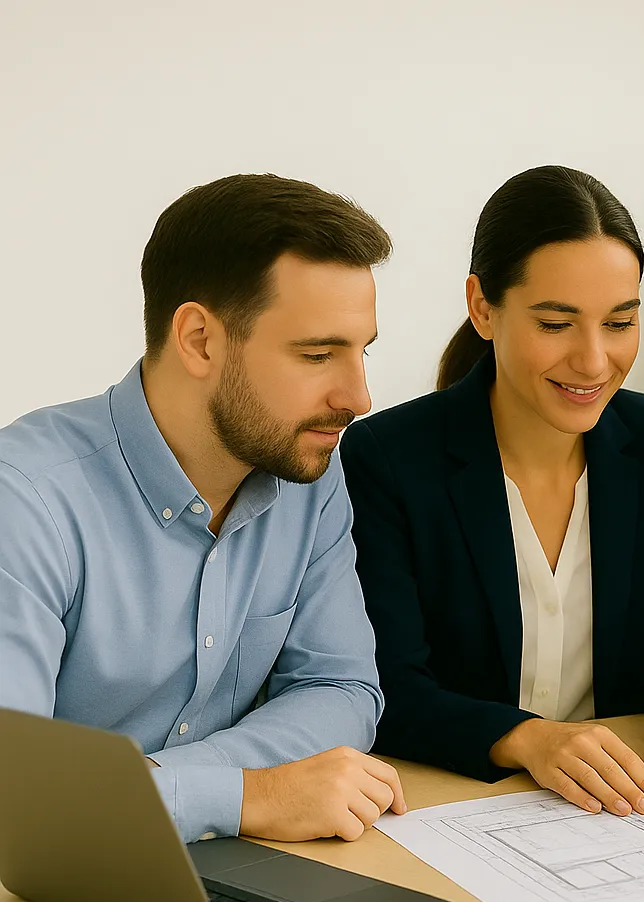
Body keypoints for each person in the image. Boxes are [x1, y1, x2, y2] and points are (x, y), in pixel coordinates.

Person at [342, 166, 644, 817]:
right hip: (453, 801)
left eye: (619, 323)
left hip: (623, 804)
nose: (594, 361)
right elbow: (385, 686)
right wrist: (528, 739)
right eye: (556, 323)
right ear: (483, 307)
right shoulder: (388, 457)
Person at [0, 174, 403, 844]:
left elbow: (341, 688)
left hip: (229, 859)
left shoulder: (308, 472)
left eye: (361, 352)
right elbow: (15, 794)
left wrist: (166, 789)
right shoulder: (24, 499)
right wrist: (248, 794)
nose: (358, 397)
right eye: (318, 354)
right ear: (199, 340)